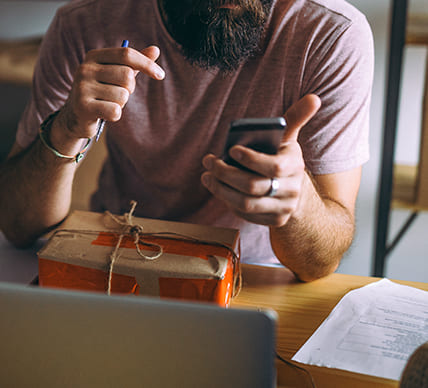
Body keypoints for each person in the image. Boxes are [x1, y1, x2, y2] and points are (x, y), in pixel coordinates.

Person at [0, 0, 374, 281]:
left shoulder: (331, 35)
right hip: (114, 259)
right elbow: (19, 227)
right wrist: (67, 128)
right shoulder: (84, 23)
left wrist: (299, 205)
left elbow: (320, 262)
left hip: (255, 276)